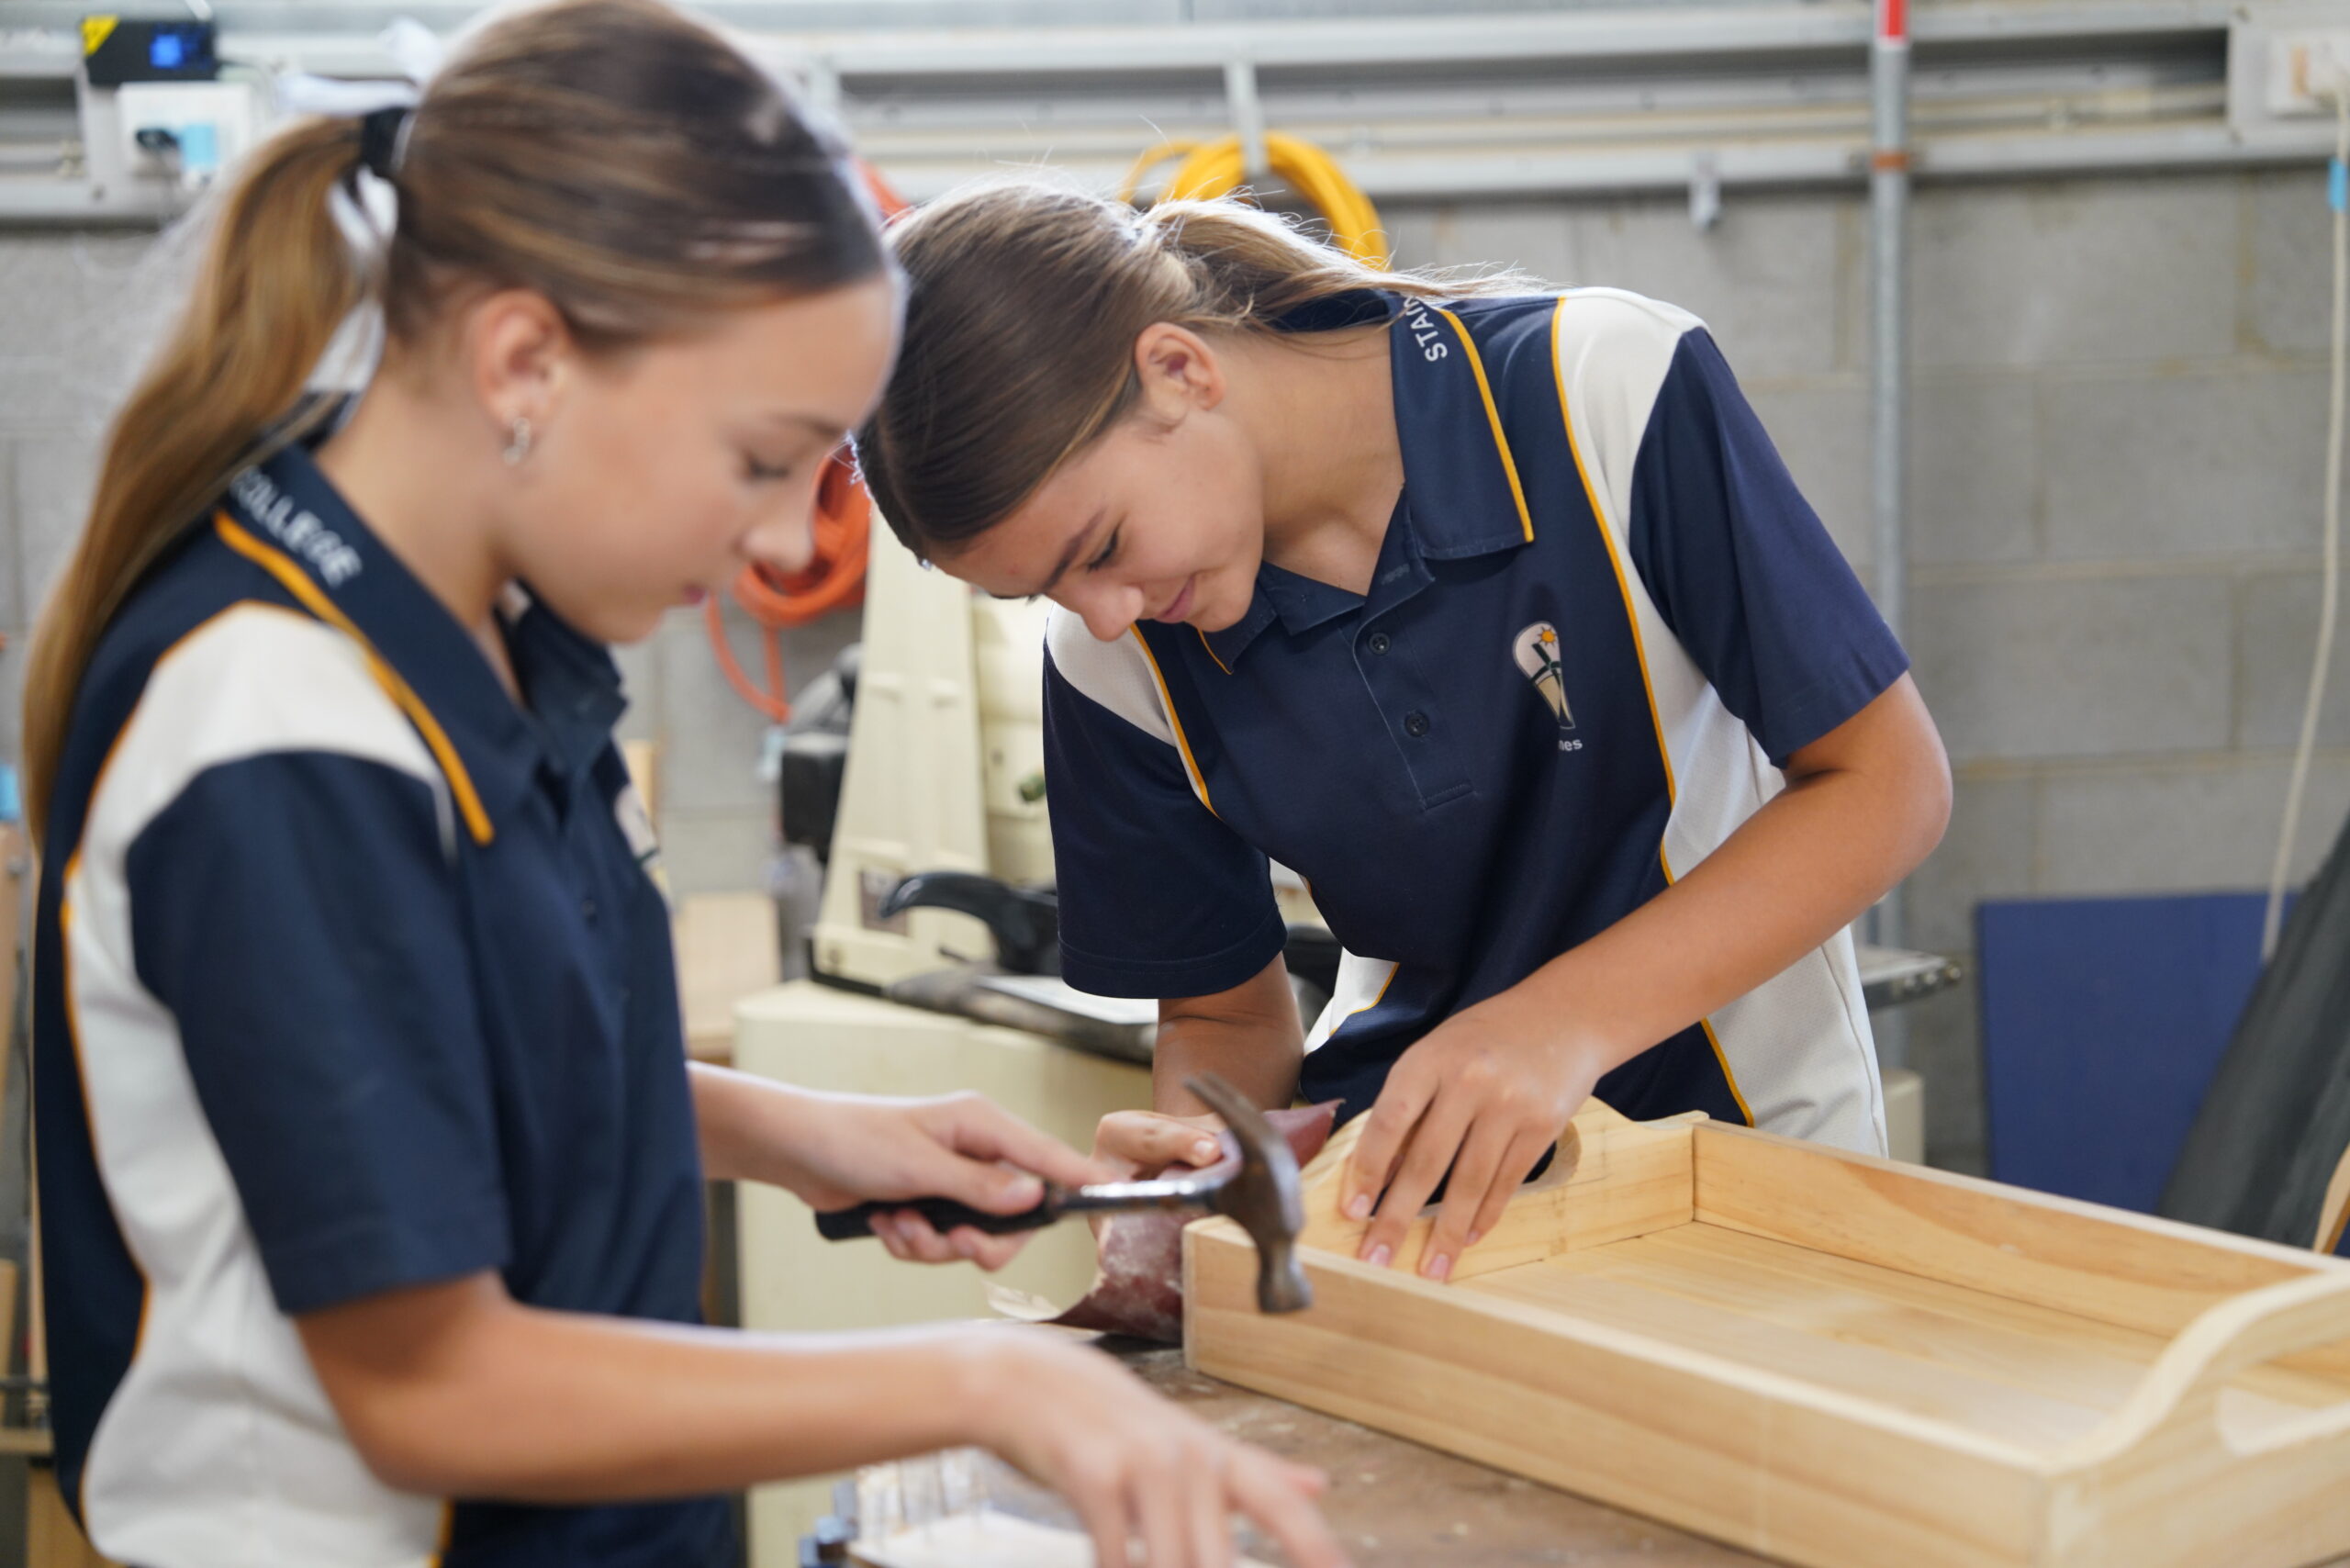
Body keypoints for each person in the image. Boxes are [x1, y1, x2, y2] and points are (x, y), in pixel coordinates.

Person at [23, 9, 1343, 1567]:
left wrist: (807, 1135)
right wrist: (984, 1380)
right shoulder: (282, 728)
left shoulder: (492, 644)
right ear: (526, 361)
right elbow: (427, 1384)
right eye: (764, 457)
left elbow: (455, 1073)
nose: (790, 546)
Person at [855, 180, 1953, 1288]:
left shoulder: (1604, 390)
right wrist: (1204, 1161)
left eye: (1097, 548)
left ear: (1178, 371)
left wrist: (1554, 1026)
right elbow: (1220, 1012)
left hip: (1745, 1157)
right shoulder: (1110, 652)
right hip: (1411, 1219)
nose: (1099, 613)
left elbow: (1885, 785)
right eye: (1041, 592)